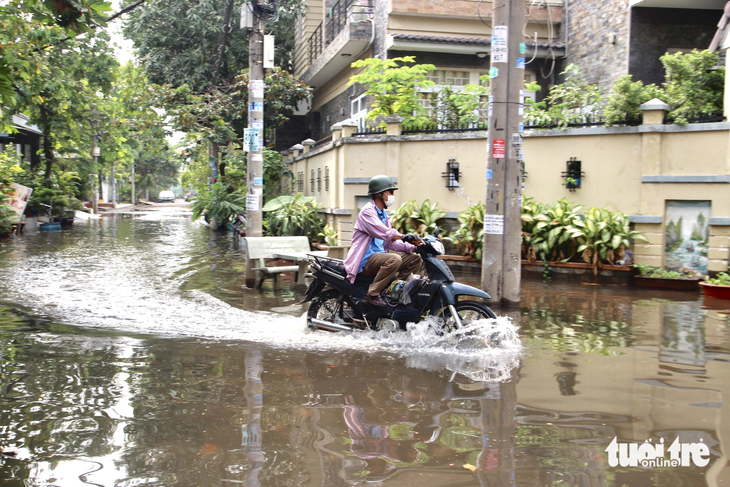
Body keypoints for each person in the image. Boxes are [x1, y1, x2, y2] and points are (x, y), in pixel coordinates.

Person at [344, 175, 423, 307]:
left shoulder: (383, 215)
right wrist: (404, 236)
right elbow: (385, 232)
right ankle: (372, 294)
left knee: (415, 259)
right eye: (390, 192)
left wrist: (414, 247)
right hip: (365, 260)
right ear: (380, 194)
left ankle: (393, 292)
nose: (392, 196)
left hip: (379, 257)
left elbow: (392, 242)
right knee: (394, 259)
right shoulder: (367, 212)